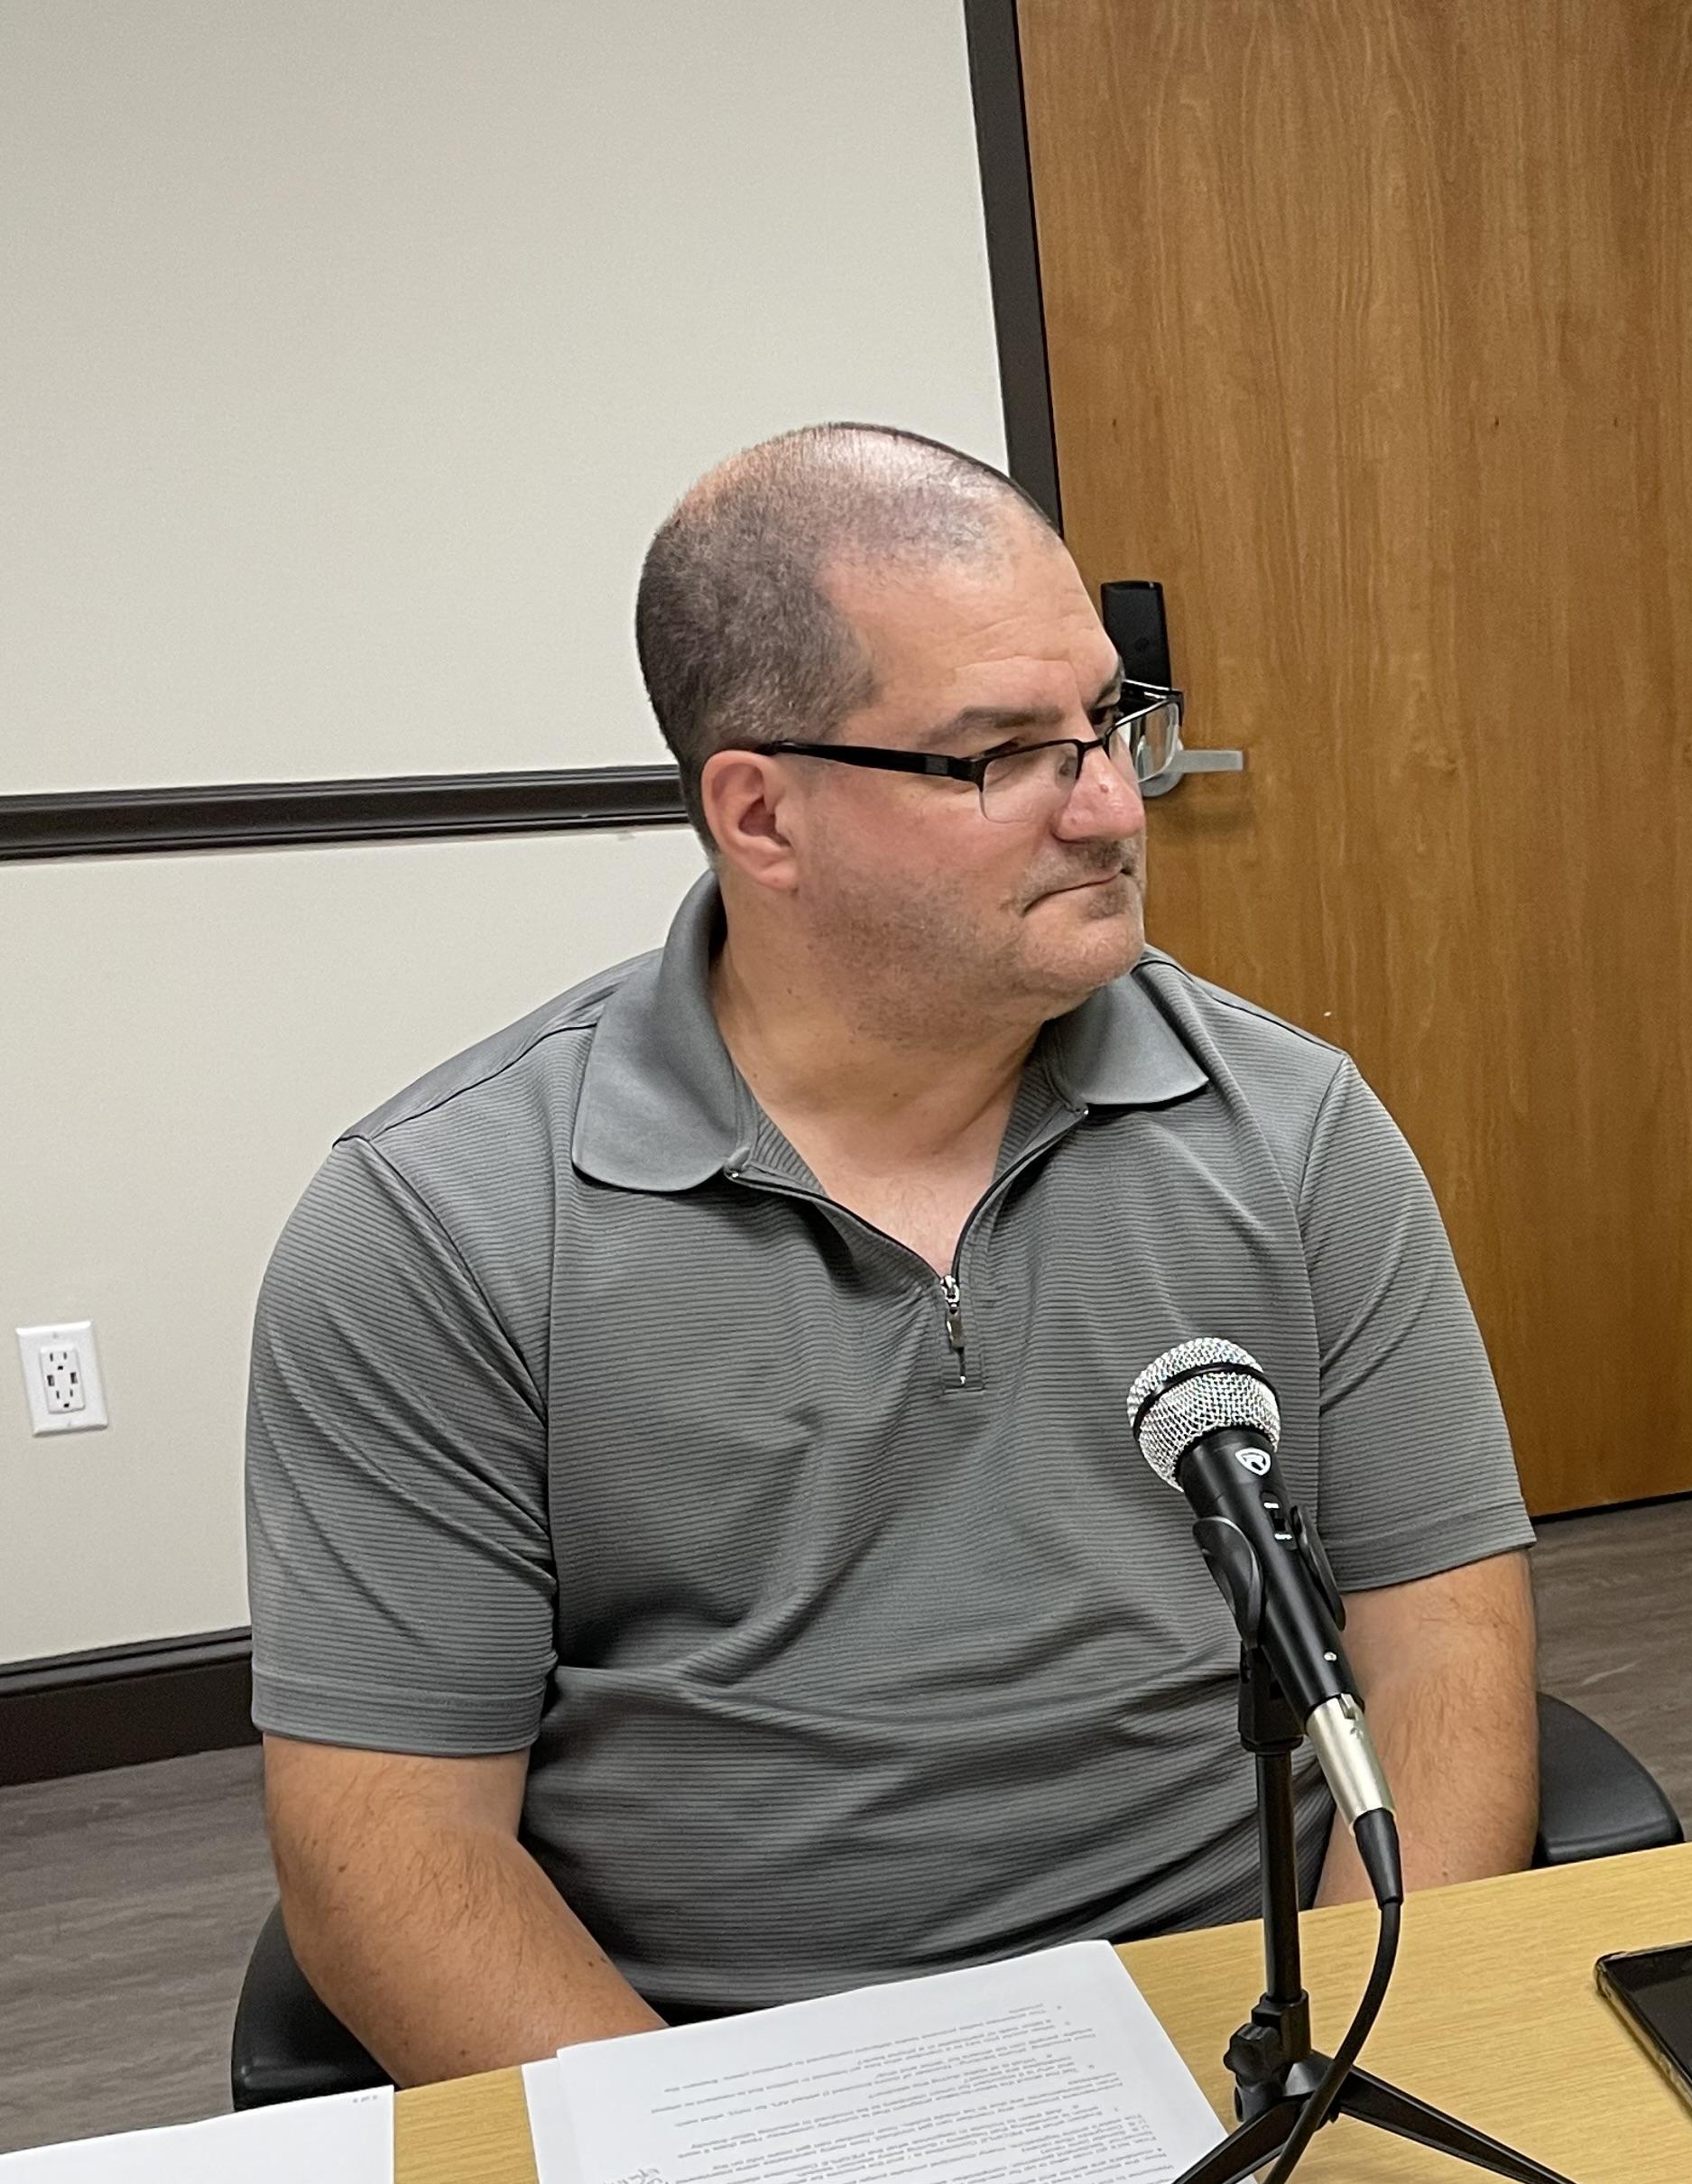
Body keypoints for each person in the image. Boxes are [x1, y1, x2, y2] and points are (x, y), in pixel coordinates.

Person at [248, 424, 1539, 2084]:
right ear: (762, 813)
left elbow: (1445, 1632)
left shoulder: (1290, 1131)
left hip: (1245, 2041)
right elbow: (389, 1853)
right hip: (728, 2082)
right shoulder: (442, 1227)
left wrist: (1372, 2046)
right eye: (1003, 752)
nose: (1108, 805)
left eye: (1108, 724)